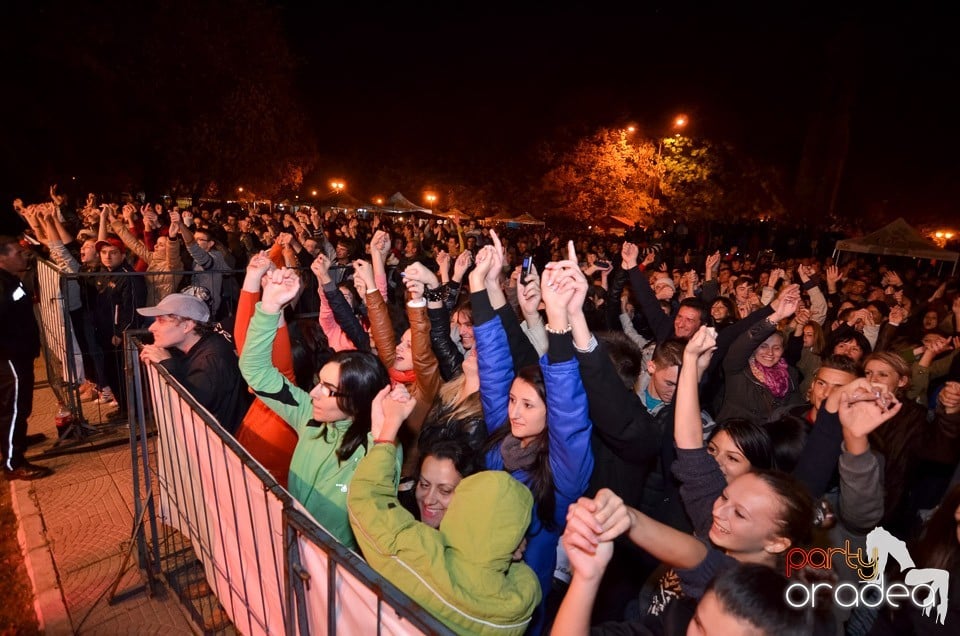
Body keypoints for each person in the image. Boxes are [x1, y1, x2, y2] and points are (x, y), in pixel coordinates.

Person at [347, 384, 540, 635]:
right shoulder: (516, 607)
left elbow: (366, 499)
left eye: (447, 491)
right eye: (424, 484)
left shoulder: (421, 557)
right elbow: (526, 582)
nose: (429, 498)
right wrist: (506, 547)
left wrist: (385, 434)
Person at [238, 267, 390, 549]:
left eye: (329, 390)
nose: (315, 392)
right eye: (319, 382)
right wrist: (270, 307)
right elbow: (254, 371)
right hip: (292, 538)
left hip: (334, 565)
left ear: (358, 400)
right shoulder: (308, 413)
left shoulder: (379, 446)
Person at [138, 292, 250, 434]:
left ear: (187, 325)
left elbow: (194, 406)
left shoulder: (210, 359)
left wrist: (167, 364)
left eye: (161, 321)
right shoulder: (198, 346)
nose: (151, 327)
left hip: (225, 447)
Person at [0, 236, 52, 479]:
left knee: (16, 407)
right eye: (18, 253)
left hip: (17, 353)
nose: (24, 256)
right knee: (15, 408)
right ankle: (14, 462)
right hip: (10, 356)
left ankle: (15, 440)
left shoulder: (9, 280)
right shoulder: (2, 285)